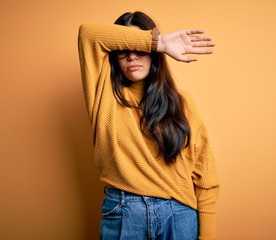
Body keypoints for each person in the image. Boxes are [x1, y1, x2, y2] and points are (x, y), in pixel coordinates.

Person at [78, 11, 219, 240]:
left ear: (154, 55)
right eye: (124, 48)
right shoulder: (104, 97)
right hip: (125, 214)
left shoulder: (182, 103)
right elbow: (87, 34)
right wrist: (158, 42)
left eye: (140, 48)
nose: (132, 56)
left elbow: (206, 176)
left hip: (180, 216)